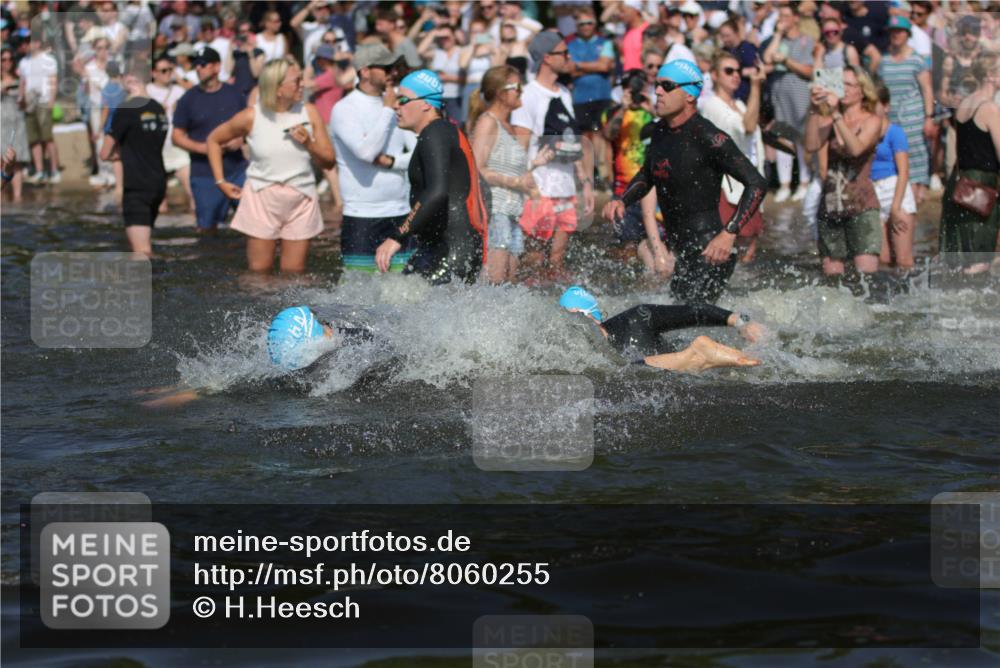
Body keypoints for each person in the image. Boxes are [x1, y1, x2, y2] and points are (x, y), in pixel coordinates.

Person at [603, 60, 768, 304]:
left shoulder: (709, 137)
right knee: (680, 315)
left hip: (711, 252)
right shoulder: (659, 131)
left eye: (667, 86)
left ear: (690, 95)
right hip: (682, 252)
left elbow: (757, 183)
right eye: (657, 85)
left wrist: (729, 233)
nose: (658, 91)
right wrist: (622, 200)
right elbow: (648, 174)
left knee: (687, 317)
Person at [207, 59, 335, 274]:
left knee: (294, 274)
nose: (303, 85)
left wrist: (309, 144)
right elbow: (213, 140)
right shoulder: (251, 116)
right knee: (259, 272)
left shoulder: (309, 112)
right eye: (296, 81)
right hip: (261, 197)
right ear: (277, 88)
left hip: (301, 197)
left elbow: (329, 161)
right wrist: (221, 181)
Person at [374, 69, 487, 284]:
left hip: (452, 249)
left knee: (404, 299)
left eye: (403, 99)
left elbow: (436, 192)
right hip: (447, 246)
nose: (395, 105)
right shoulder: (443, 132)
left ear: (426, 104)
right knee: (397, 297)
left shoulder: (435, 132)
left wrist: (398, 236)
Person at [511, 31, 595, 277]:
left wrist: (585, 183)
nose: (569, 57)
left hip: (565, 189)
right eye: (564, 53)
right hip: (539, 191)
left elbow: (572, 142)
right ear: (547, 58)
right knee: (534, 260)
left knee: (557, 263)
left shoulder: (564, 93)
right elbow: (520, 148)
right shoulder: (528, 95)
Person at [330, 43, 417, 274]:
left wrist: (393, 162)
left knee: (405, 289)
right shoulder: (344, 108)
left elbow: (420, 153)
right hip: (361, 215)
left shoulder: (398, 104)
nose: (393, 72)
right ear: (365, 71)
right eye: (386, 68)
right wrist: (387, 111)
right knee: (359, 291)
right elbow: (367, 153)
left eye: (393, 67)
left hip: (400, 211)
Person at [469, 65, 551, 284]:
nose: (521, 91)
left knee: (510, 285)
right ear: (500, 93)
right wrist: (516, 182)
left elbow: (506, 169)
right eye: (517, 87)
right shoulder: (488, 122)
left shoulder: (509, 127)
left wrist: (533, 166)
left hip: (513, 213)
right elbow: (477, 169)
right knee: (495, 285)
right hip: (495, 212)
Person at [559, 286, 763, 372]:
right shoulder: (635, 318)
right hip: (685, 371)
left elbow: (692, 312)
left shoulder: (637, 318)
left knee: (629, 371)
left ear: (581, 314)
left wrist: (741, 321)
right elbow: (692, 311)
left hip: (684, 371)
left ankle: (696, 355)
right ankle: (696, 355)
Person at [804, 64, 883, 278]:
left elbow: (856, 149)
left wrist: (836, 115)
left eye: (850, 84)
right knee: (833, 281)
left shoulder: (872, 120)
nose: (844, 89)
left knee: (867, 279)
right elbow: (810, 145)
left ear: (862, 91)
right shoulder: (826, 120)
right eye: (841, 84)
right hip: (830, 205)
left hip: (862, 205)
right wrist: (814, 109)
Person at [172, 46, 248, 235]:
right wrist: (203, 148)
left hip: (236, 168)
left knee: (253, 222)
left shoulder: (235, 93)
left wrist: (241, 138)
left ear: (216, 67)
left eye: (203, 64)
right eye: (196, 65)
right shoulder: (188, 99)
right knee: (206, 229)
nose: (198, 68)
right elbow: (177, 136)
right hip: (204, 173)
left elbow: (250, 125)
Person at [602, 69, 669, 278]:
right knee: (627, 247)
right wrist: (623, 108)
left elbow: (671, 134)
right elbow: (608, 134)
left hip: (654, 187)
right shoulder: (613, 112)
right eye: (630, 89)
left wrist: (654, 112)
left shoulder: (654, 112)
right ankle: (628, 284)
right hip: (624, 189)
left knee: (659, 240)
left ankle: (653, 279)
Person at [700, 52, 767, 263]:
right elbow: (748, 126)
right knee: (728, 246)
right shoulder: (711, 105)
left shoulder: (741, 104)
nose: (735, 75)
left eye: (738, 71)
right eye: (728, 71)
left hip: (749, 181)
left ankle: (746, 283)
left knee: (749, 245)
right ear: (714, 75)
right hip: (726, 185)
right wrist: (756, 86)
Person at [939, 51, 1000, 274]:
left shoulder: (965, 103)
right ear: (990, 76)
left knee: (960, 253)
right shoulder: (990, 108)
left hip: (960, 183)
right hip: (982, 186)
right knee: (980, 256)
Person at [98, 71, 167, 256]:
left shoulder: (126, 109)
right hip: (159, 183)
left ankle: (156, 276)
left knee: (141, 251)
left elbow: (105, 153)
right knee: (146, 242)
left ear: (125, 81)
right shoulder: (158, 108)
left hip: (136, 186)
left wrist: (121, 155)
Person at [877, 16, 935, 205]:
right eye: (893, 31)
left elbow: (927, 89)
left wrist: (929, 117)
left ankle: (918, 190)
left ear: (907, 34)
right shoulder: (884, 60)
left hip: (914, 115)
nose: (896, 35)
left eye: (900, 31)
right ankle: (901, 192)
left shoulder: (917, 59)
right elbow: (880, 90)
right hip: (891, 117)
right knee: (895, 152)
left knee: (916, 153)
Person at [761, 4, 814, 203]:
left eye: (785, 15)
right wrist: (777, 35)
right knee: (783, 138)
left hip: (800, 97)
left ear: (795, 18)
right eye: (779, 16)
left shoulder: (806, 40)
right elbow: (767, 58)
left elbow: (809, 70)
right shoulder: (777, 40)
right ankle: (784, 184)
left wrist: (786, 61)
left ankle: (804, 182)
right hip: (780, 97)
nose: (781, 19)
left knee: (801, 139)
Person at [566, 6, 614, 187]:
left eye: (589, 23)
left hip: (602, 95)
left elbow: (605, 66)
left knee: (602, 135)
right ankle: (588, 177)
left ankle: (603, 175)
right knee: (585, 138)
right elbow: (569, 69)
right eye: (582, 24)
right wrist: (595, 65)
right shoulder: (570, 45)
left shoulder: (605, 42)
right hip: (581, 98)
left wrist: (580, 66)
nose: (586, 27)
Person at [873, 83, 917, 271]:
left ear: (886, 106)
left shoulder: (895, 132)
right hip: (873, 193)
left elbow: (904, 171)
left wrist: (895, 207)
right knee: (882, 260)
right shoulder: (865, 132)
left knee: (903, 260)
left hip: (895, 191)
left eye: (874, 104)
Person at [146, 54, 194, 213]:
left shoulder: (179, 90)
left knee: (193, 193)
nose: (168, 74)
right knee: (160, 202)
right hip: (156, 149)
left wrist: (178, 77)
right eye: (163, 71)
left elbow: (196, 92)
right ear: (154, 73)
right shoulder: (146, 91)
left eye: (170, 70)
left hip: (177, 146)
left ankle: (197, 224)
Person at [17, 36, 60, 185]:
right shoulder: (23, 62)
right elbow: (22, 83)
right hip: (29, 103)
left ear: (37, 43)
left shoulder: (48, 60)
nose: (25, 45)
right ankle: (40, 171)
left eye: (28, 42)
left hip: (44, 102)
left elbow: (53, 81)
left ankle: (54, 170)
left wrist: (51, 102)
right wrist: (21, 99)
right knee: (33, 139)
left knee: (47, 138)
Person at [418, 24, 462, 120]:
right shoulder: (438, 52)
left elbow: (467, 78)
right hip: (438, 97)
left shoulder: (461, 51)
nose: (444, 40)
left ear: (454, 37)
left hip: (456, 96)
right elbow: (420, 51)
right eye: (441, 38)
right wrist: (433, 34)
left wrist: (447, 78)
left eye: (447, 37)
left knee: (457, 124)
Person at [1, 45, 28, 202]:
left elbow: (25, 105)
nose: (7, 62)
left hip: (16, 122)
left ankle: (18, 197)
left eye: (10, 59)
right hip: (1, 122)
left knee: (16, 160)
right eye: (3, 59)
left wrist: (22, 96)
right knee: (1, 158)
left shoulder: (19, 79)